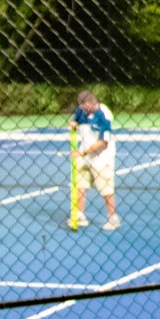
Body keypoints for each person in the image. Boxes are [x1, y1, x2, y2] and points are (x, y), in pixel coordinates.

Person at [69, 90, 120, 230]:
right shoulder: (81, 110)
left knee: (106, 189)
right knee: (79, 185)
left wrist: (83, 152)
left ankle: (113, 218)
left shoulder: (104, 115)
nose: (82, 110)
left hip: (102, 157)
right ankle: (79, 215)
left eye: (84, 106)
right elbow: (73, 119)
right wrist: (72, 123)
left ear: (92, 103)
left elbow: (103, 143)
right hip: (84, 155)